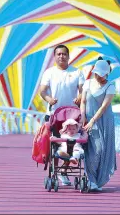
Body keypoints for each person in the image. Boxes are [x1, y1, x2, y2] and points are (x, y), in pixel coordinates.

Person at [39, 44, 85, 185]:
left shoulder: (77, 72)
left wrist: (79, 98)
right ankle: (56, 171)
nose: (61, 56)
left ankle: (63, 172)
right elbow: (43, 91)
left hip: (72, 116)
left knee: (72, 144)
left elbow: (83, 91)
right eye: (58, 54)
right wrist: (49, 100)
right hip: (54, 115)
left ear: (68, 56)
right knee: (56, 144)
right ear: (55, 56)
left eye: (64, 54)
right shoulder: (49, 72)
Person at [80, 59, 117, 192]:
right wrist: (83, 116)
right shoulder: (88, 83)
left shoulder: (110, 86)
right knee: (93, 149)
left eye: (101, 74)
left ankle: (96, 180)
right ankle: (91, 180)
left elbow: (104, 107)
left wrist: (92, 121)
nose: (98, 76)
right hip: (88, 119)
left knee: (101, 150)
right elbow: (83, 101)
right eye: (96, 73)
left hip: (104, 121)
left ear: (107, 74)